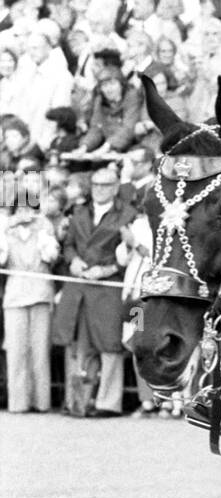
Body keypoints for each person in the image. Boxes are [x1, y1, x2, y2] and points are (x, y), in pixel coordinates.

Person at [53, 164, 135, 416]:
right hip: (78, 287)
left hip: (107, 288)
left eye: (106, 184)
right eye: (97, 184)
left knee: (109, 345)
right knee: (77, 346)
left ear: (115, 187)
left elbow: (132, 252)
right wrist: (73, 261)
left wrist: (108, 269)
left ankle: (107, 403)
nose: (100, 189)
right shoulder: (78, 212)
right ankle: (76, 401)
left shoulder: (128, 214)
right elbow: (67, 246)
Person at [0, 194, 59, 412]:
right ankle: (18, 403)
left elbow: (51, 256)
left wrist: (43, 230)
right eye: (20, 209)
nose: (25, 213)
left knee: (40, 348)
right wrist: (6, 227)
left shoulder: (44, 228)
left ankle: (41, 402)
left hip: (40, 290)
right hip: (15, 293)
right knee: (15, 349)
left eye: (29, 209)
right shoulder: (6, 230)